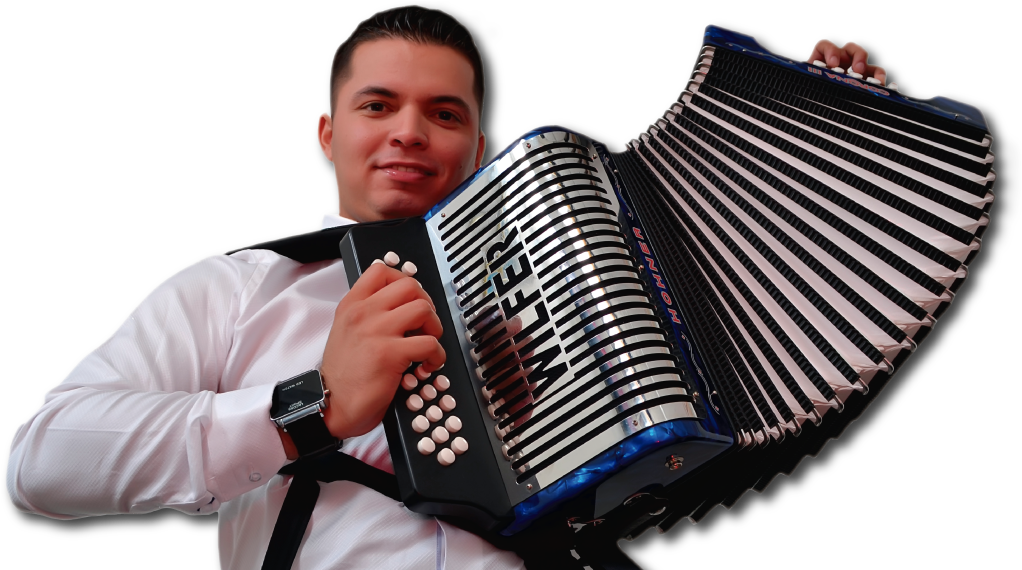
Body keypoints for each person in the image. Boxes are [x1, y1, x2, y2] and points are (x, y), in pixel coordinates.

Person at [9, 4, 967, 569]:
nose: (408, 132)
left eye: (444, 113)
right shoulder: (240, 289)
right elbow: (41, 464)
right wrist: (308, 408)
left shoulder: (588, 285)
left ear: (476, 148)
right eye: (376, 105)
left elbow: (740, 356)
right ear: (326, 134)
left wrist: (811, 135)